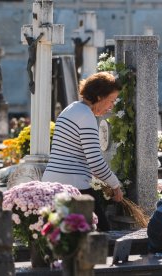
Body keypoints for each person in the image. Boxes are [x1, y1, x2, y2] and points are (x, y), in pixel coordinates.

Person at [42, 72, 124, 231]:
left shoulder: (71, 109)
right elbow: (95, 162)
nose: (111, 107)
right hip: (73, 186)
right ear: (100, 96)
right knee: (102, 233)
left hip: (53, 182)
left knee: (64, 237)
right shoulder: (86, 116)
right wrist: (115, 186)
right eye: (111, 101)